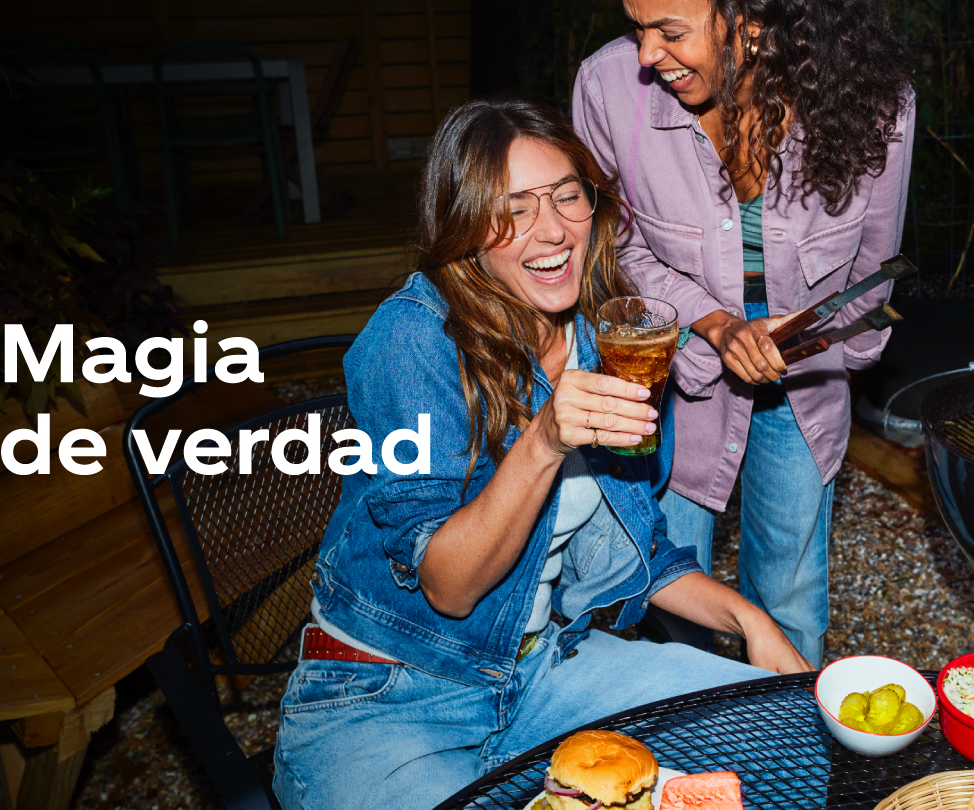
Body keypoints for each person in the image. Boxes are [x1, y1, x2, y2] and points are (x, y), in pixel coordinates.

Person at [272, 98, 811, 810]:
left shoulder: (608, 339)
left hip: (543, 672)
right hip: (387, 696)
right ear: (463, 226)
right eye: (514, 209)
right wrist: (547, 438)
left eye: (566, 196)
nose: (552, 229)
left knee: (788, 729)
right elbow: (448, 585)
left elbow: (642, 548)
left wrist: (752, 620)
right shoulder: (413, 339)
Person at [573, 0, 916, 666]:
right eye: (636, 27)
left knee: (789, 606)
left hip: (803, 381)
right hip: (677, 378)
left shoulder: (877, 103)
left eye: (671, 32)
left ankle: (788, 761)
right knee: (669, 597)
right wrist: (718, 323)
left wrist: (837, 360)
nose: (646, 54)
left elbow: (876, 261)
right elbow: (612, 249)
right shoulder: (608, 88)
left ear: (753, 23)